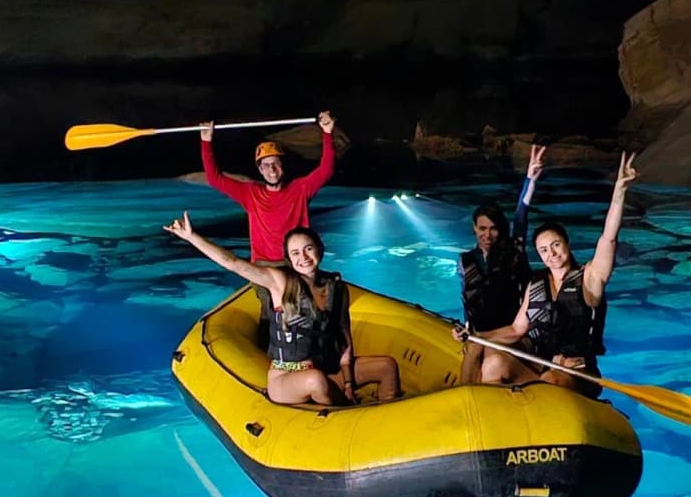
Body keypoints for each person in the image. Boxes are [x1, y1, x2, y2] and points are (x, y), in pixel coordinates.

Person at [165, 214, 400, 407]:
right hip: (286, 378)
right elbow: (233, 263)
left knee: (386, 366)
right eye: (295, 253)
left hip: (326, 369)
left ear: (320, 249)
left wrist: (348, 384)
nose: (304, 257)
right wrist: (192, 237)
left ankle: (383, 415)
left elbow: (345, 342)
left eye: (308, 249)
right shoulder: (280, 282)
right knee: (315, 381)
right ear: (288, 258)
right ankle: (350, 414)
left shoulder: (336, 287)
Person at [454, 153, 638, 395]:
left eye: (555, 245)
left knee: (552, 378)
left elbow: (608, 238)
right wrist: (477, 337)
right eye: (543, 249)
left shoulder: (589, 278)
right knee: (493, 363)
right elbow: (516, 330)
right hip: (543, 366)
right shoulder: (537, 283)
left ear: (567, 244)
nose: (551, 253)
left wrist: (619, 191)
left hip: (576, 372)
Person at [457, 143, 545, 385]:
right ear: (474, 228)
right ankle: (464, 399)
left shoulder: (512, 252)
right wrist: (463, 330)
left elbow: (521, 215)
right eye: (482, 228)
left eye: (493, 228)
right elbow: (468, 301)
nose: (488, 234)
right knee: (475, 348)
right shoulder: (465, 261)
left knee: (488, 357)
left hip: (510, 332)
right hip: (480, 333)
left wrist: (530, 180)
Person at [199, 111, 337, 263]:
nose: (271, 170)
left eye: (275, 164)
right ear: (260, 170)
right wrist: (206, 142)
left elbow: (326, 170)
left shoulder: (300, 188)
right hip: (263, 266)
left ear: (282, 165)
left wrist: (327, 132)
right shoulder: (250, 193)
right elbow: (214, 179)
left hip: (295, 263)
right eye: (266, 165)